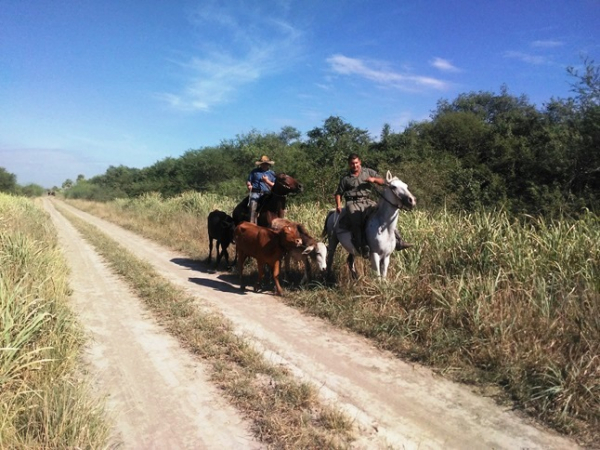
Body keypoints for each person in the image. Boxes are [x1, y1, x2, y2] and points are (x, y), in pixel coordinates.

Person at [334, 153, 411, 258]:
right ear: (349, 164)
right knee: (356, 220)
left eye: (356, 163)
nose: (355, 165)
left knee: (383, 214)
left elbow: (383, 181)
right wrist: (338, 205)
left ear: (359, 162)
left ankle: (399, 241)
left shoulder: (368, 172)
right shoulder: (346, 179)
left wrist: (374, 180)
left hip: (366, 200)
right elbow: (339, 193)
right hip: (352, 203)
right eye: (352, 164)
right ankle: (361, 246)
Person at [246, 155, 277, 224]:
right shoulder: (254, 172)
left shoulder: (272, 173)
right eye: (263, 164)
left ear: (268, 164)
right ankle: (251, 222)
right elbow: (249, 181)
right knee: (253, 203)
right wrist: (249, 185)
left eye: (266, 164)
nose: (264, 165)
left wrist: (267, 181)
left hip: (267, 193)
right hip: (256, 192)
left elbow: (274, 185)